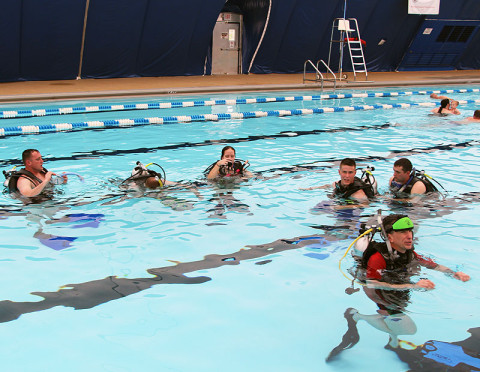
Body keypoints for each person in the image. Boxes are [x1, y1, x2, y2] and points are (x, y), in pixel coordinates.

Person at [327, 214, 470, 360]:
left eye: (410, 231)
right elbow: (371, 283)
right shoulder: (378, 257)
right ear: (390, 237)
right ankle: (356, 316)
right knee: (409, 329)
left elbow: (432, 265)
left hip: (396, 285)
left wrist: (453, 273)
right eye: (403, 232)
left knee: (396, 318)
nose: (409, 236)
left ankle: (393, 342)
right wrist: (413, 286)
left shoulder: (409, 253)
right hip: (378, 292)